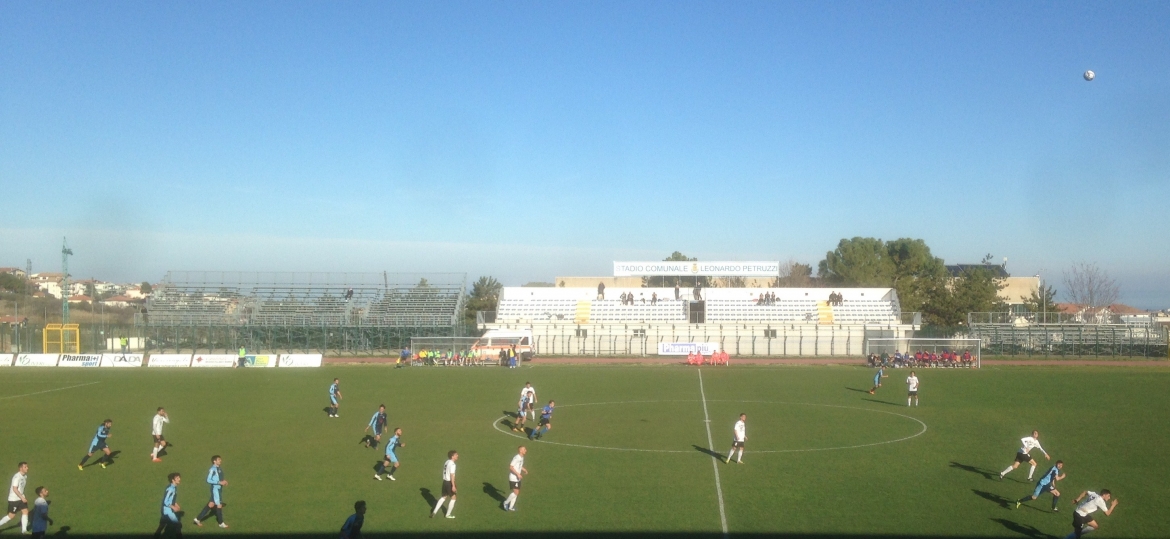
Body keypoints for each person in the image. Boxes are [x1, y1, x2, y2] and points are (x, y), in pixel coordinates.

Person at [193, 455, 228, 528]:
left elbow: (219, 478)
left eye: (220, 459)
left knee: (211, 504)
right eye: (218, 459)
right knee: (219, 505)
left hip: (218, 488)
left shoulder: (219, 468)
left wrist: (224, 481)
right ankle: (221, 523)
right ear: (214, 461)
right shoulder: (212, 469)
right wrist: (219, 482)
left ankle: (197, 519)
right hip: (215, 489)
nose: (220, 460)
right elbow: (208, 480)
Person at [0, 462, 29, 534]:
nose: (27, 468)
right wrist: (22, 498)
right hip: (14, 499)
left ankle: (24, 530)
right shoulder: (16, 477)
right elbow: (14, 489)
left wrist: (22, 497)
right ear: (20, 468)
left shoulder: (25, 476)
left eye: (27, 467)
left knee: (25, 511)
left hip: (20, 498)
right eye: (25, 467)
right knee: (11, 516)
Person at [430, 451, 458, 519]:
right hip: (449, 483)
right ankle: (448, 514)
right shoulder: (453, 465)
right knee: (453, 498)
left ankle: (434, 511)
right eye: (456, 455)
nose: (457, 456)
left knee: (444, 497)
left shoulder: (447, 462)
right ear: (452, 456)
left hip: (444, 482)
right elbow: (452, 475)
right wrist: (453, 486)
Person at [154, 473, 182, 538]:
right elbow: (165, 501)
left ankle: (155, 536)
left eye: (179, 477)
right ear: (173, 480)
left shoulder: (174, 487)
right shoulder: (170, 489)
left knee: (162, 525)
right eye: (177, 478)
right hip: (167, 511)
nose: (179, 479)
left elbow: (171, 499)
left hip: (166, 510)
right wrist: (173, 507)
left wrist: (176, 504)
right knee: (178, 525)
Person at [502, 446, 527, 511]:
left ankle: (511, 507)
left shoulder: (522, 457)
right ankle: (505, 503)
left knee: (517, 492)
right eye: (524, 449)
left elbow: (519, 466)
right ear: (520, 450)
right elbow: (511, 467)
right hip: (513, 477)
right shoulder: (517, 458)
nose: (526, 450)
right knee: (516, 492)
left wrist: (524, 469)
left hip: (518, 478)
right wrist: (518, 474)